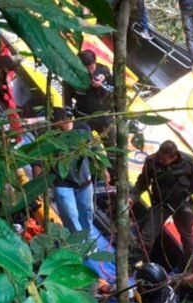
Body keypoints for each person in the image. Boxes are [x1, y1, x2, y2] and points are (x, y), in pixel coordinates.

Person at [130, 140, 193, 272]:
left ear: (174, 157)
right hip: (161, 204)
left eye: (163, 159)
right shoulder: (152, 162)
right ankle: (131, 264)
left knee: (187, 236)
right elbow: (142, 182)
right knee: (147, 236)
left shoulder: (188, 162)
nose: (160, 161)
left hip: (182, 203)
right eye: (159, 157)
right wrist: (132, 197)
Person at [33, 108, 104, 237]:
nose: (60, 129)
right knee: (70, 215)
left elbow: (96, 148)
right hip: (62, 182)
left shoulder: (82, 129)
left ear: (66, 120)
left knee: (87, 212)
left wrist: (103, 169)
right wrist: (38, 186)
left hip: (84, 179)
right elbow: (38, 161)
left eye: (61, 125)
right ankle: (77, 242)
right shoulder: (48, 137)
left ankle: (88, 237)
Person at [63, 50, 114, 138]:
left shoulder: (104, 71)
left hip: (105, 117)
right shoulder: (71, 77)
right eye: (86, 69)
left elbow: (114, 91)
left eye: (92, 68)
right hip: (83, 117)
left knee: (112, 144)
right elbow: (67, 99)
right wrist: (68, 117)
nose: (90, 72)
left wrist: (101, 86)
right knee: (82, 143)